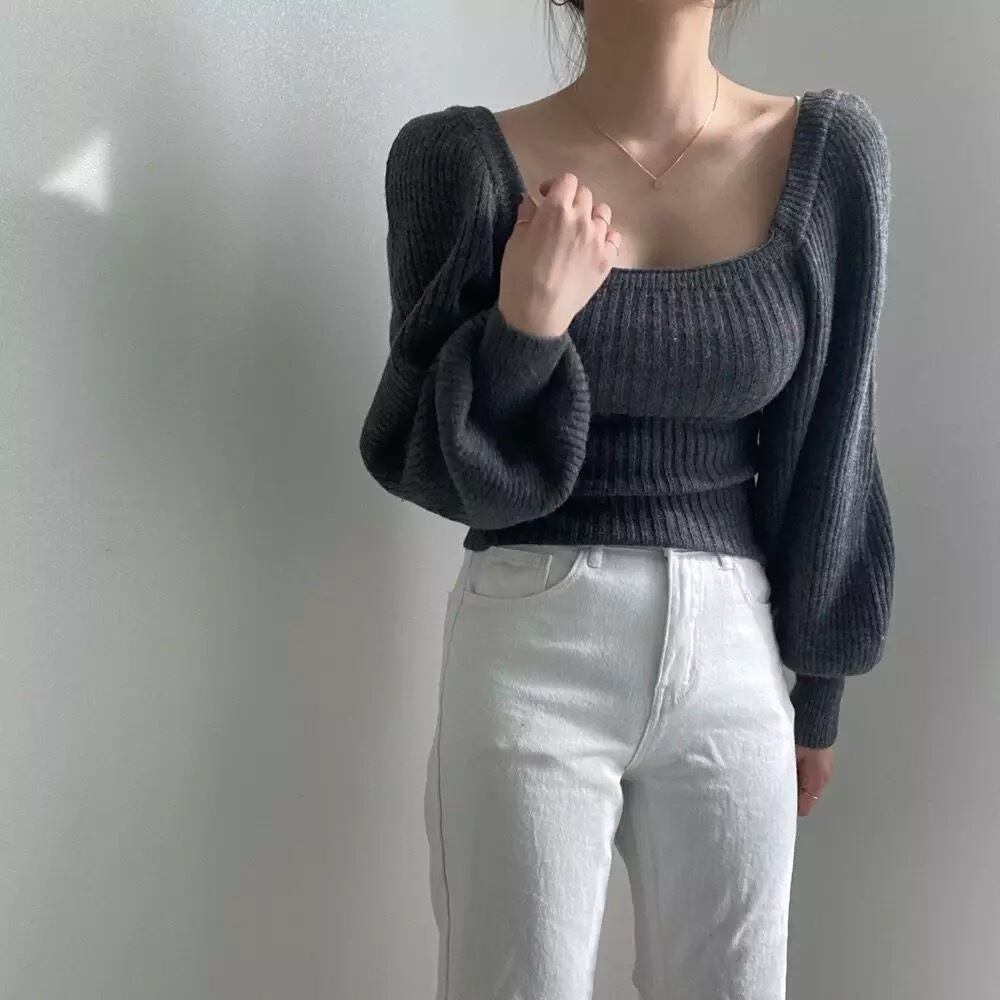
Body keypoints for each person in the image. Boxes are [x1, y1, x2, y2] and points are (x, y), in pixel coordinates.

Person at [358, 2, 895, 997]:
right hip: (532, 645)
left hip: (735, 656)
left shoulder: (826, 158)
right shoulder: (457, 163)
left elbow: (832, 443)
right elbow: (424, 457)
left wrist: (817, 687)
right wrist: (527, 323)